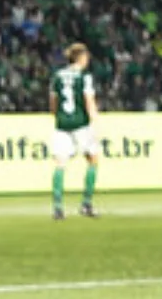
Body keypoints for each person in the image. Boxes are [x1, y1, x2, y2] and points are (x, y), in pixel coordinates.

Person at [48, 42, 101, 221]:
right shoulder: (84, 77)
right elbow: (88, 100)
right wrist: (94, 120)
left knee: (60, 164)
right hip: (81, 124)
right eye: (86, 57)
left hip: (62, 124)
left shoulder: (57, 76)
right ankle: (86, 204)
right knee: (93, 159)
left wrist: (58, 116)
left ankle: (57, 208)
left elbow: (53, 103)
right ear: (80, 58)